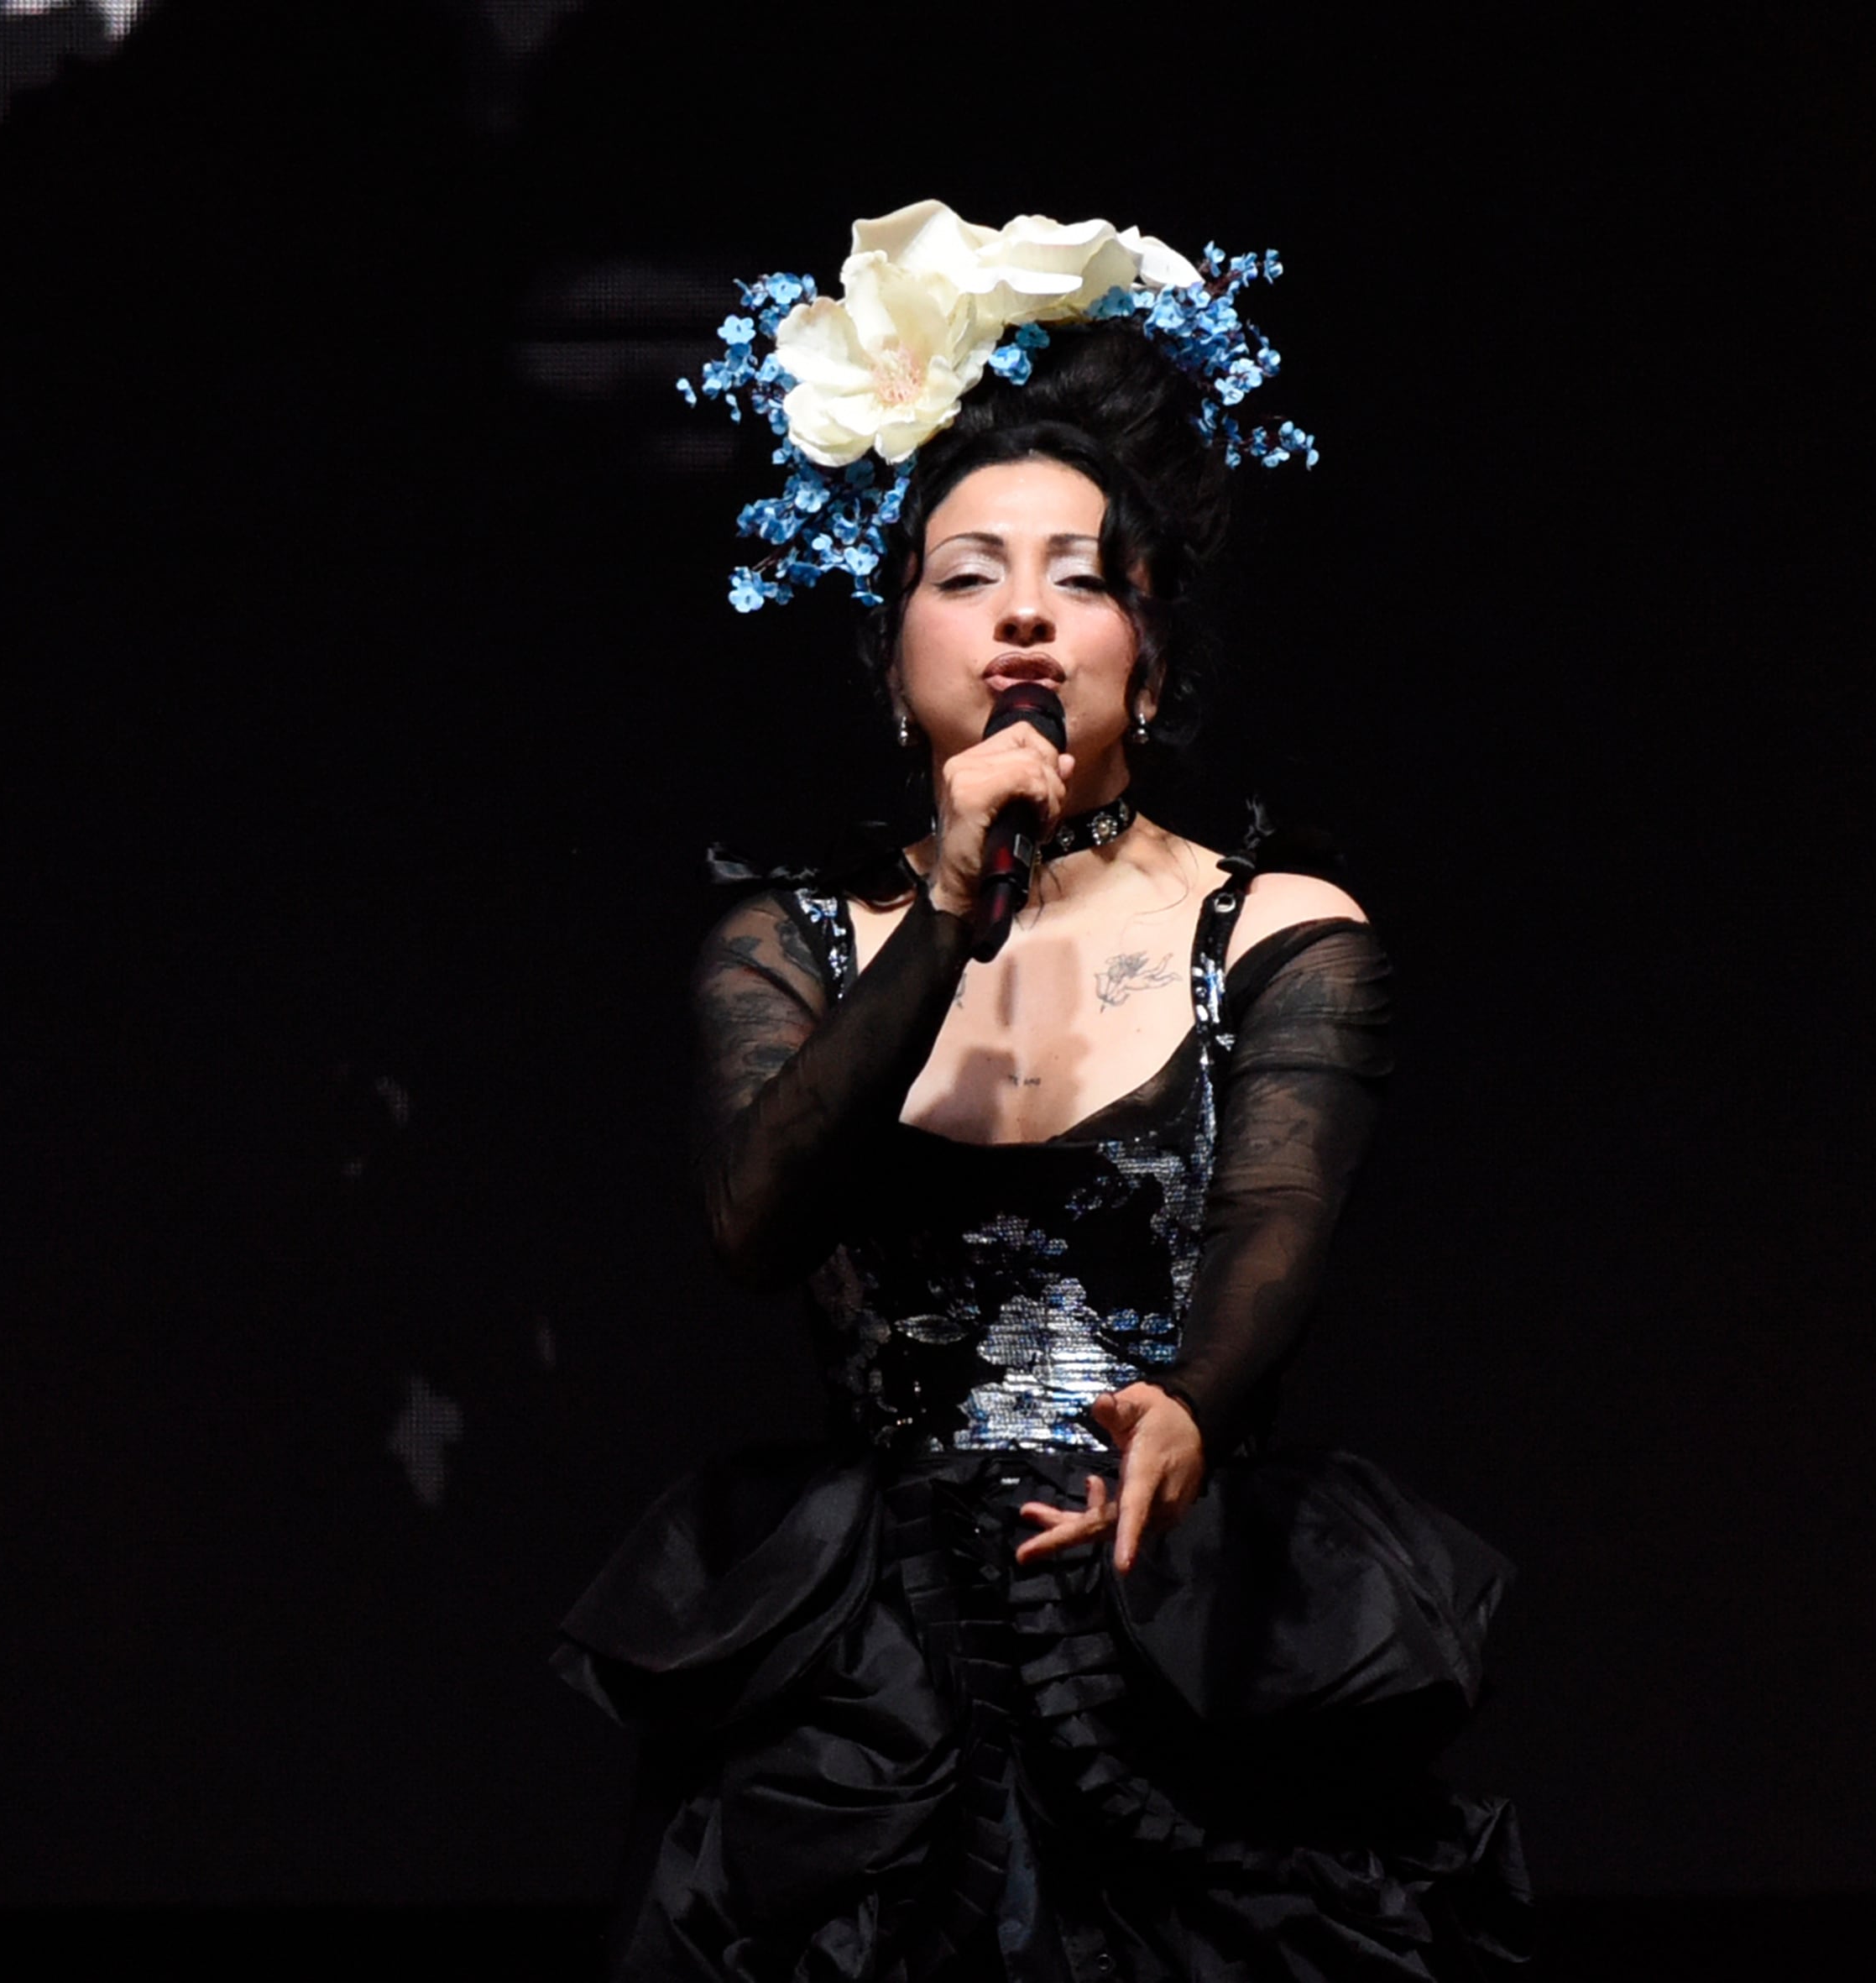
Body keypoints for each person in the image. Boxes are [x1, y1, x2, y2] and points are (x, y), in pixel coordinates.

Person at [555, 206, 1529, 1980]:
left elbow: (1273, 1218)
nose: (1021, 612)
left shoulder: (1276, 930)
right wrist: (948, 903)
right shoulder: (788, 943)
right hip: (875, 1664)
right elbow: (756, 1222)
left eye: (1080, 577)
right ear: (889, 655)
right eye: (964, 573)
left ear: (1149, 656)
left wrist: (1194, 1403)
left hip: (1174, 1628)